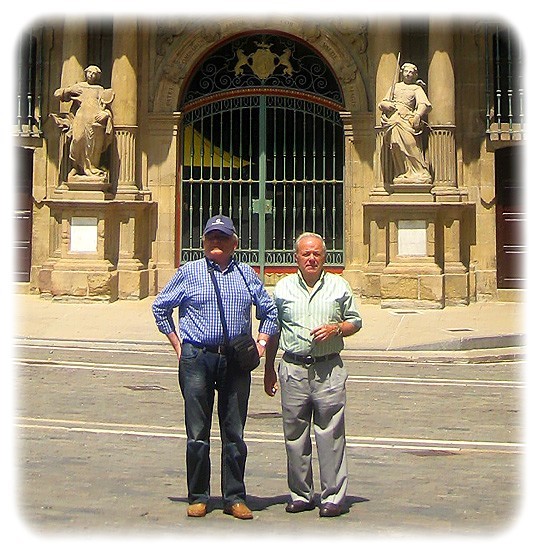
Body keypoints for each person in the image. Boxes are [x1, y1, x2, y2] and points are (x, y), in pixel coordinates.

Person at [152, 215, 278, 520]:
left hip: (235, 361)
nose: (216, 243)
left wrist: (261, 345)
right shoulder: (189, 272)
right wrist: (178, 346)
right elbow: (160, 307)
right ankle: (198, 495)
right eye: (211, 238)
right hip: (197, 358)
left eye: (222, 238)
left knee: (234, 432)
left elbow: (270, 312)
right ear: (204, 242)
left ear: (235, 243)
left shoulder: (247, 275)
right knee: (197, 432)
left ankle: (235, 496)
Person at [264, 232, 362, 518]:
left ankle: (332, 496)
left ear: (324, 257)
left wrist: (336, 329)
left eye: (316, 253)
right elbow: (273, 331)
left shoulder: (339, 287)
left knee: (331, 434)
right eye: (306, 253)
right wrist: (269, 369)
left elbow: (355, 321)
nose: (311, 258)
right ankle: (301, 494)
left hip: (328, 368)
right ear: (296, 257)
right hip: (292, 368)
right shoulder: (281, 289)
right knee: (294, 436)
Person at [53, 65, 114, 178]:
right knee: (77, 140)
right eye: (90, 72)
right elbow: (57, 94)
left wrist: (106, 114)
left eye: (95, 73)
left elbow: (107, 106)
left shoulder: (99, 89)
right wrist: (69, 90)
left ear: (98, 76)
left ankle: (92, 168)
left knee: (94, 146)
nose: (92, 75)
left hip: (95, 121)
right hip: (81, 119)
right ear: (85, 73)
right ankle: (76, 166)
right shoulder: (79, 87)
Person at [378, 62, 432, 183]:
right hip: (393, 119)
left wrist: (417, 115)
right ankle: (403, 171)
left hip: (407, 120)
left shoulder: (416, 88)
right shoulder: (394, 87)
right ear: (402, 72)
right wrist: (387, 105)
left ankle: (420, 172)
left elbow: (424, 104)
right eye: (406, 71)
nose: (408, 74)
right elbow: (382, 103)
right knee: (396, 145)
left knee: (411, 145)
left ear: (414, 75)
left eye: (411, 72)